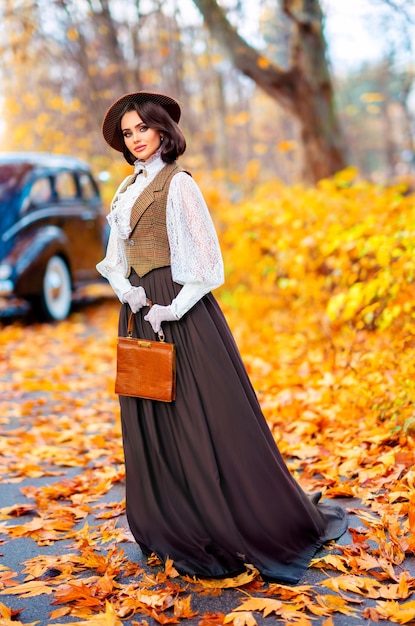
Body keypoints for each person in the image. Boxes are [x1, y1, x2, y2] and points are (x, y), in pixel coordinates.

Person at [97, 91, 348, 584]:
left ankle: (227, 519)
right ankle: (172, 518)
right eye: (128, 134)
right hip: (139, 312)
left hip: (181, 310)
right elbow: (115, 258)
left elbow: (209, 265)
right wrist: (128, 293)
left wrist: (169, 307)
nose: (136, 139)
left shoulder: (180, 185)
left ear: (163, 130)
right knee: (153, 414)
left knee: (201, 416)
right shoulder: (125, 191)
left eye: (142, 128)